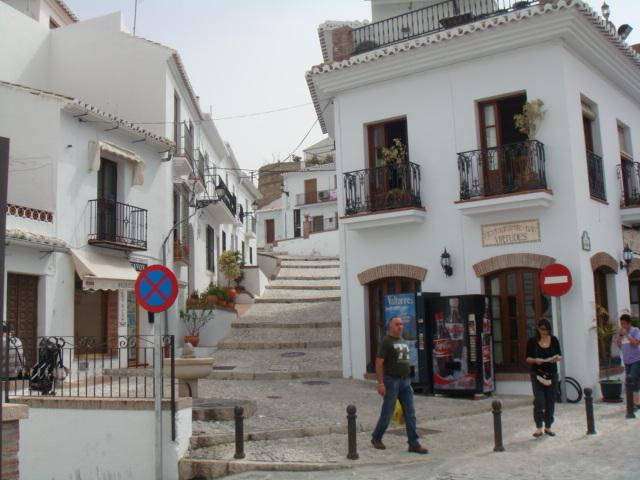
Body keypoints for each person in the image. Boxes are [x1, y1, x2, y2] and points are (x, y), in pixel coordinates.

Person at [371, 316, 428, 454]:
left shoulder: (402, 340)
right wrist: (380, 383)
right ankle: (376, 437)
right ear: (391, 326)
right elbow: (379, 362)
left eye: (401, 324)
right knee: (387, 412)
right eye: (397, 324)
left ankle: (413, 443)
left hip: (405, 381)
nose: (400, 326)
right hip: (392, 381)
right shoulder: (386, 341)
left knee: (410, 413)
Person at [525, 318, 562, 438]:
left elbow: (560, 355)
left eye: (547, 330)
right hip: (537, 374)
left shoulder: (554, 340)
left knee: (551, 400)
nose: (545, 332)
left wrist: (556, 358)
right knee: (539, 401)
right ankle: (538, 427)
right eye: (543, 329)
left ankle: (548, 426)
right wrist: (536, 360)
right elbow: (527, 358)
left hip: (551, 374)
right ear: (538, 329)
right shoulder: (532, 341)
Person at [615, 313, 640, 408]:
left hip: (636, 359)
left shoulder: (635, 330)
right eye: (621, 324)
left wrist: (627, 334)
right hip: (627, 361)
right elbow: (619, 345)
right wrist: (619, 336)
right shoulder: (622, 333)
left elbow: (635, 343)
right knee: (633, 382)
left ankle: (633, 403)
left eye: (624, 323)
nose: (623, 326)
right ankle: (635, 402)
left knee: (631, 379)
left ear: (629, 323)